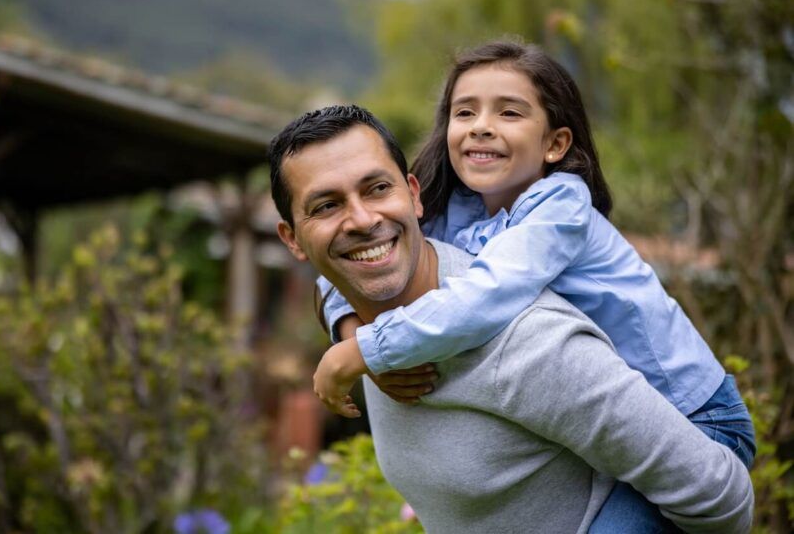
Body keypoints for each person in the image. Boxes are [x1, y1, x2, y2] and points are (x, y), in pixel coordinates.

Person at [313, 41, 756, 529]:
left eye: (509, 112)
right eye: (466, 111)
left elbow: (487, 296)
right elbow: (354, 259)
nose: (482, 125)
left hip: (693, 420)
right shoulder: (452, 204)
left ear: (555, 144)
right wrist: (350, 330)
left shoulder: (561, 207)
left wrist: (369, 350)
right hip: (606, 427)